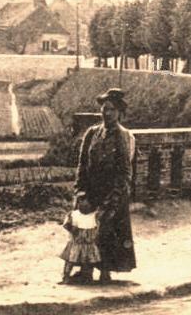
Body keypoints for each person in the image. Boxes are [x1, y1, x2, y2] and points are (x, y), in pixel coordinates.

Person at [73, 88, 137, 282]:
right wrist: (80, 193)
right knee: (85, 230)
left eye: (111, 109)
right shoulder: (92, 134)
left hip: (112, 193)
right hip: (92, 190)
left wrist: (114, 199)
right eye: (104, 108)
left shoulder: (123, 136)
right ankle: (85, 270)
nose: (106, 113)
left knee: (107, 230)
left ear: (119, 113)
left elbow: (125, 172)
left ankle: (105, 271)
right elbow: (82, 166)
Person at [60, 192, 102, 284]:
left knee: (89, 262)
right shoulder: (73, 214)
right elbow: (66, 224)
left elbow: (98, 225)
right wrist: (73, 230)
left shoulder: (94, 215)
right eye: (79, 202)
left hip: (89, 244)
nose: (83, 205)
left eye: (87, 203)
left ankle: (87, 277)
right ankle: (66, 277)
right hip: (76, 243)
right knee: (70, 261)